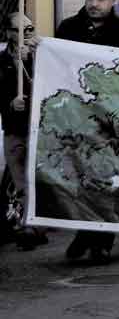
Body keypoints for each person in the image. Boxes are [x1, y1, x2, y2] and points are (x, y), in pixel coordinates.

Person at [57, 0, 119, 264]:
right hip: (76, 117)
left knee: (104, 180)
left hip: (109, 119)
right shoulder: (68, 28)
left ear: (113, 0)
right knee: (81, 178)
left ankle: (102, 240)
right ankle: (84, 231)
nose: (93, 3)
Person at [1, 13, 46, 252]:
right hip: (14, 130)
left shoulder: (42, 55)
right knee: (20, 182)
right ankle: (27, 227)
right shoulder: (1, 61)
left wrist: (33, 61)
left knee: (37, 180)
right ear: (8, 33)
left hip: (38, 129)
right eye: (20, 30)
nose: (26, 34)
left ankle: (36, 228)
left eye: (29, 28)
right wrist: (10, 104)